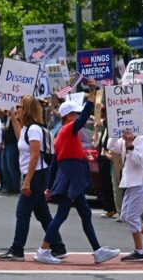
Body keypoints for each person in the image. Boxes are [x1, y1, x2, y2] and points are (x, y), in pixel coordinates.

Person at [34, 78, 120, 265]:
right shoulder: (68, 130)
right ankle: (43, 249)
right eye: (75, 114)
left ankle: (97, 251)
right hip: (72, 176)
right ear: (68, 116)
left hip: (71, 176)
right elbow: (87, 113)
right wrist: (91, 91)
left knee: (85, 214)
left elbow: (55, 164)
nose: (79, 117)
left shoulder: (60, 135)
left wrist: (49, 187)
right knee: (62, 215)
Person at [0, 96, 66, 262]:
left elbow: (34, 157)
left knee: (22, 212)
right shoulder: (28, 129)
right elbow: (22, 138)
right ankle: (58, 246)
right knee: (43, 215)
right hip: (35, 175)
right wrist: (13, 118)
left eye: (20, 107)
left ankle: (17, 249)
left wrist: (27, 181)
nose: (17, 108)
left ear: (27, 110)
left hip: (36, 176)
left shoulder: (34, 129)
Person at [107, 129, 143, 262]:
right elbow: (110, 146)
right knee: (125, 216)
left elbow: (139, 160)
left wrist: (130, 146)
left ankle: (139, 251)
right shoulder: (123, 139)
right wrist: (116, 132)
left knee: (131, 217)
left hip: (140, 181)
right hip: (129, 181)